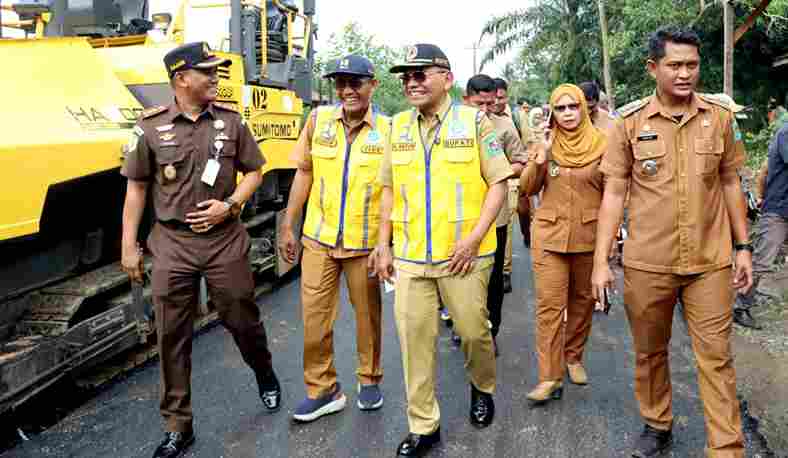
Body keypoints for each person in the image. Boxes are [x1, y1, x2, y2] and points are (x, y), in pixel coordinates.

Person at [591, 26, 752, 457]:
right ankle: (657, 423)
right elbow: (613, 192)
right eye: (675, 65)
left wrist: (743, 248)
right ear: (653, 68)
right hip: (648, 263)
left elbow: (731, 182)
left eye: (692, 65)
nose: (685, 74)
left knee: (716, 357)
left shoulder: (719, 118)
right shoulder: (629, 123)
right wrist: (601, 261)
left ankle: (727, 448)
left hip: (710, 261)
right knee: (649, 353)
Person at [120, 42, 281, 458]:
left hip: (224, 239)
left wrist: (229, 205)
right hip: (172, 242)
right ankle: (178, 425)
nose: (215, 77)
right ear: (181, 79)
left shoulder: (231, 122)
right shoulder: (150, 127)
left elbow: (255, 173)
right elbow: (136, 189)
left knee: (241, 316)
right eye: (207, 71)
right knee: (171, 334)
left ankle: (263, 371)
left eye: (216, 71)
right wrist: (128, 246)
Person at [374, 43, 511, 457]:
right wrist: (383, 244)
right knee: (414, 342)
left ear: (446, 79)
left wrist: (473, 239)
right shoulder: (396, 127)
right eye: (406, 76)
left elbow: (499, 183)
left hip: (464, 258)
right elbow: (388, 191)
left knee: (473, 333)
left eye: (421, 74)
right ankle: (423, 426)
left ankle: (482, 386)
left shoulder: (475, 123)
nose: (411, 82)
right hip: (412, 258)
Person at [278, 54, 388, 422]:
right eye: (340, 83)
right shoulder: (317, 120)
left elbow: (394, 191)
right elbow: (304, 174)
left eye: (355, 82)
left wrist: (387, 243)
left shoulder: (387, 131)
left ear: (372, 85)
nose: (346, 90)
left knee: (367, 319)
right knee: (314, 320)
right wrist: (288, 224)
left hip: (366, 244)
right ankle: (323, 388)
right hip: (319, 241)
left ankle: (369, 379)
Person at [520, 84, 606, 405]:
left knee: (583, 302)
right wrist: (539, 159)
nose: (568, 114)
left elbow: (613, 193)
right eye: (561, 108)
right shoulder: (546, 143)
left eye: (573, 107)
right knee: (549, 308)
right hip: (549, 237)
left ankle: (573, 356)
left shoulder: (603, 144)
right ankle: (549, 376)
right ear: (552, 113)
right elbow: (527, 190)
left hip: (589, 237)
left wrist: (612, 240)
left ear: (584, 108)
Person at [464, 74, 527, 352]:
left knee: (491, 281)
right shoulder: (452, 126)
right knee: (462, 277)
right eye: (479, 103)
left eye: (490, 103)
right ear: (466, 99)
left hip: (496, 218)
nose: (486, 110)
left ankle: (491, 331)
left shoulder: (504, 126)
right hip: (460, 217)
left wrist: (496, 174)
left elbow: (520, 162)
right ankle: (467, 327)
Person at [734, 121, 788, 329]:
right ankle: (740, 306)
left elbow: (764, 170)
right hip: (779, 209)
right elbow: (764, 172)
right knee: (762, 261)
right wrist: (760, 196)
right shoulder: (786, 132)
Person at [491, 77, 518, 292]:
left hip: (504, 189)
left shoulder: (510, 122)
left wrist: (499, 174)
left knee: (504, 229)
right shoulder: (456, 126)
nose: (495, 103)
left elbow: (522, 156)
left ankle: (504, 271)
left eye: (500, 98)